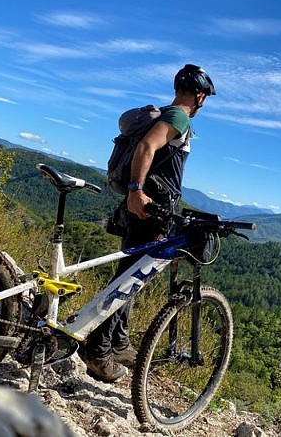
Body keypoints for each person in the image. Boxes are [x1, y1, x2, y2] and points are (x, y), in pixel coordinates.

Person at [83, 64, 216, 382]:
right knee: (127, 281)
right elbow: (146, 147)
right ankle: (98, 351)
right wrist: (136, 191)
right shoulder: (179, 117)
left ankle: (119, 341)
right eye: (205, 97)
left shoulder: (167, 115)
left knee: (132, 277)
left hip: (144, 209)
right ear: (200, 97)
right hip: (148, 210)